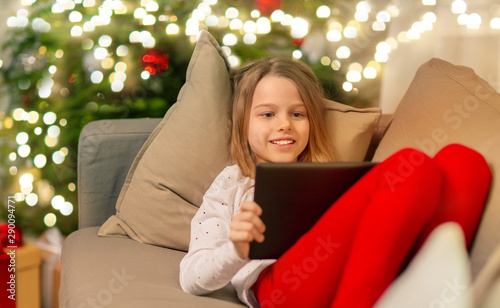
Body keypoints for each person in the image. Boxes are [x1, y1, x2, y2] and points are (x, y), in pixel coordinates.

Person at [179, 57, 491, 308]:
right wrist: (236, 250)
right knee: (412, 166)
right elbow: (191, 278)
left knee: (465, 162)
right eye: (267, 114)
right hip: (278, 286)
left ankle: (432, 291)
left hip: (363, 270)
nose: (284, 124)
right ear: (243, 123)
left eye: (297, 114)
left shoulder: (330, 174)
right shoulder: (232, 182)